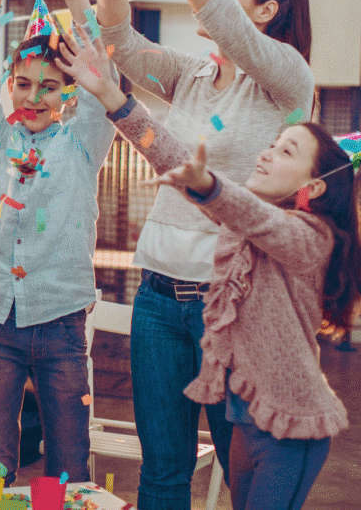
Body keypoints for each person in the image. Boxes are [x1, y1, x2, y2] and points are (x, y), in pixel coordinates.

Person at [78, 0, 316, 510]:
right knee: (162, 473)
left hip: (233, 306)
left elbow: (231, 29)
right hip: (158, 296)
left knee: (246, 475)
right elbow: (120, 43)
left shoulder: (286, 80)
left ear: (266, 11)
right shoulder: (191, 74)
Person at [57, 25, 359, 510]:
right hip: (246, 419)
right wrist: (111, 94)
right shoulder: (242, 224)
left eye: (287, 151)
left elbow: (244, 209)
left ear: (315, 186)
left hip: (289, 425)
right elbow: (174, 156)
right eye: (274, 142)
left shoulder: (309, 238)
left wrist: (212, 187)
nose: (267, 151)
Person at [0, 0, 117, 483]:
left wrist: (78, 0)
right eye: (22, 84)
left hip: (63, 323)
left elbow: (104, 75)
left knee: (71, 459)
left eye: (47, 87)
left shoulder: (82, 143)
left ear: (67, 93)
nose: (32, 97)